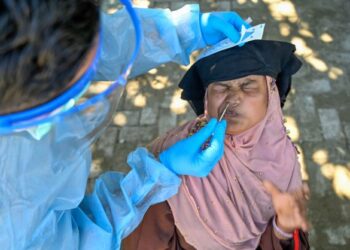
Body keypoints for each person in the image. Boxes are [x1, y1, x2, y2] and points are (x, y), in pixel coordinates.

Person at [0, 0, 251, 249]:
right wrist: (156, 175)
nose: (235, 96)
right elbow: (86, 240)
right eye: (75, 87)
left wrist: (183, 31)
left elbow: (90, 42)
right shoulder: (11, 220)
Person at [123, 40, 310, 249]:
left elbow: (289, 237)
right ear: (206, 100)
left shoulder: (284, 157)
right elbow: (139, 233)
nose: (233, 98)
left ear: (271, 94)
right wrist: (162, 173)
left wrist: (282, 229)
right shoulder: (171, 157)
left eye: (248, 85)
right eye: (221, 87)